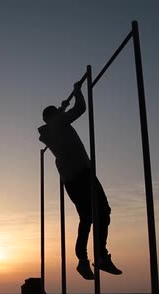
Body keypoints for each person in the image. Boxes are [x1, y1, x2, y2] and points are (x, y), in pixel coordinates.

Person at [38, 80, 122, 280]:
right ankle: (100, 256)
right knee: (103, 212)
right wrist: (77, 91)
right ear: (55, 117)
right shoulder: (59, 123)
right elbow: (81, 108)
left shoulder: (50, 131)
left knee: (87, 217)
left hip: (70, 180)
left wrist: (60, 110)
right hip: (83, 174)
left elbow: (54, 122)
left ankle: (83, 260)